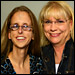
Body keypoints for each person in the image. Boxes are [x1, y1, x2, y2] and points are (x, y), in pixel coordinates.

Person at [1, 6, 44, 74]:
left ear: (33, 34)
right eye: (15, 26)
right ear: (9, 34)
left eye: (25, 26)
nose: (20, 31)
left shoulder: (39, 64)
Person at [39, 1, 74, 74]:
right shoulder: (38, 56)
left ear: (70, 24)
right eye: (48, 22)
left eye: (60, 21)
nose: (53, 28)